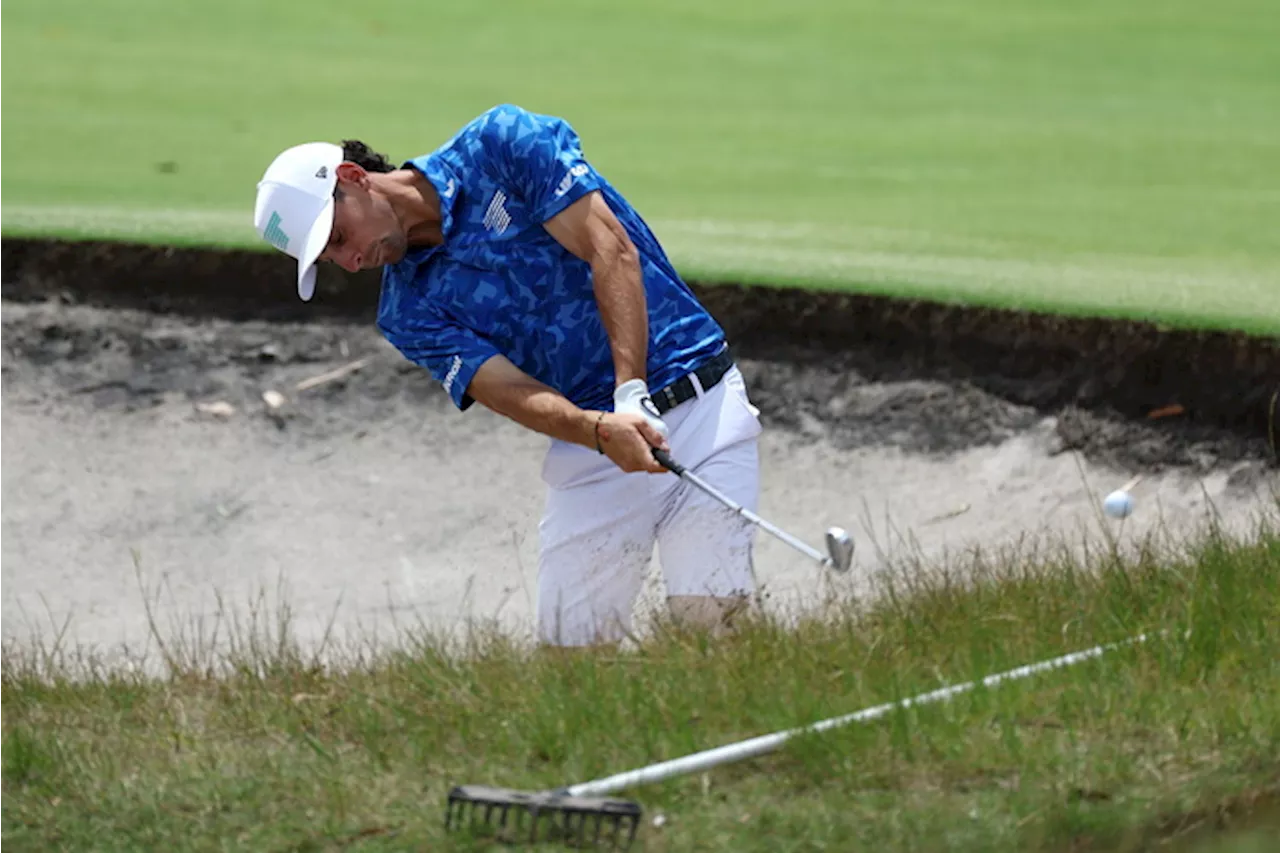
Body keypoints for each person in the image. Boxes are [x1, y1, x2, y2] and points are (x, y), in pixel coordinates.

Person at [252, 103, 764, 647]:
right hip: (596, 451)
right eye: (330, 259)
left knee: (712, 631)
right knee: (572, 660)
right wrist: (598, 429)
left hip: (702, 401)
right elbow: (510, 392)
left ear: (352, 180)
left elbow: (608, 248)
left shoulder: (501, 144)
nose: (348, 262)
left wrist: (630, 392)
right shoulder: (407, 313)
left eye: (336, 237)